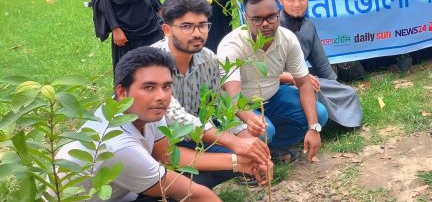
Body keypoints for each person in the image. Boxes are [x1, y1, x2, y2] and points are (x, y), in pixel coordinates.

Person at [56, 47, 271, 202]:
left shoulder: (137, 111)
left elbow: (166, 155)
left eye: (167, 86)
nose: (161, 96)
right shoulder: (116, 144)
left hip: (125, 191)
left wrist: (241, 163)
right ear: (122, 92)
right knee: (189, 191)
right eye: (149, 87)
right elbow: (197, 196)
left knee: (198, 178)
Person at [151, 0, 271, 188]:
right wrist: (235, 143)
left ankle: (223, 170)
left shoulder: (207, 58)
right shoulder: (152, 64)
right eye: (187, 26)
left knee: (255, 146)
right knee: (201, 179)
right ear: (167, 29)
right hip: (160, 146)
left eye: (202, 25)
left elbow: (220, 106)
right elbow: (177, 116)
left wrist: (248, 143)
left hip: (197, 139)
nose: (197, 33)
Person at [217, 0, 328, 161]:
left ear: (278, 13)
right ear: (246, 18)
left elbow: (304, 82)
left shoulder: (287, 38)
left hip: (273, 97)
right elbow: (233, 98)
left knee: (319, 114)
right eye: (257, 19)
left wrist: (313, 128)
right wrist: (249, 118)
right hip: (240, 107)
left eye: (271, 17)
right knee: (264, 130)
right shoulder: (232, 45)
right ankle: (247, 151)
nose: (265, 24)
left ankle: (271, 147)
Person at [277, 0, 363, 128]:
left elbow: (321, 63)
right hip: (278, 86)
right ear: (280, 0)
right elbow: (263, 73)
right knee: (311, 89)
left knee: (348, 92)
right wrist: (293, 78)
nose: (297, 4)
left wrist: (336, 86)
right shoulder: (272, 28)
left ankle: (333, 118)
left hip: (303, 80)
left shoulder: (309, 27)